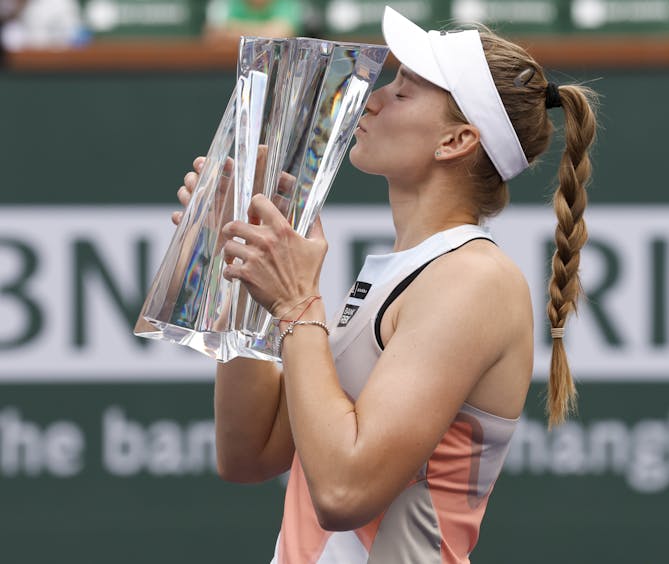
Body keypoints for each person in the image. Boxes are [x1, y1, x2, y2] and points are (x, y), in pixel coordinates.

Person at [175, 6, 597, 562]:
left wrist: (298, 302)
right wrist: (246, 267)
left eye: (403, 92)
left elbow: (344, 492)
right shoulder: (402, 270)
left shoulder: (474, 280)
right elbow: (248, 455)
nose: (372, 98)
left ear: (456, 141)